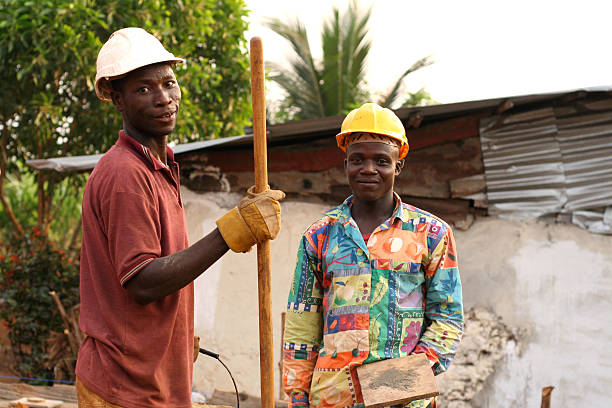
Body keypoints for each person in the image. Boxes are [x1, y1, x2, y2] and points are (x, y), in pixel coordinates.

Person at [76, 27, 284, 408]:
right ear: (117, 99)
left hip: (152, 382)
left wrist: (175, 335)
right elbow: (142, 281)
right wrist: (232, 231)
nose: (163, 98)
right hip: (125, 389)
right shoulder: (126, 174)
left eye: (169, 83)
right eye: (144, 89)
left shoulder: (159, 167)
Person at [282, 103, 463, 408]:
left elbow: (448, 319)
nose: (368, 169)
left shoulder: (431, 234)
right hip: (332, 399)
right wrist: (297, 398)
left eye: (381, 160)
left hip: (404, 402)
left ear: (398, 166)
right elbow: (302, 325)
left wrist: (396, 385)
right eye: (357, 160)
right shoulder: (319, 235)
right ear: (346, 164)